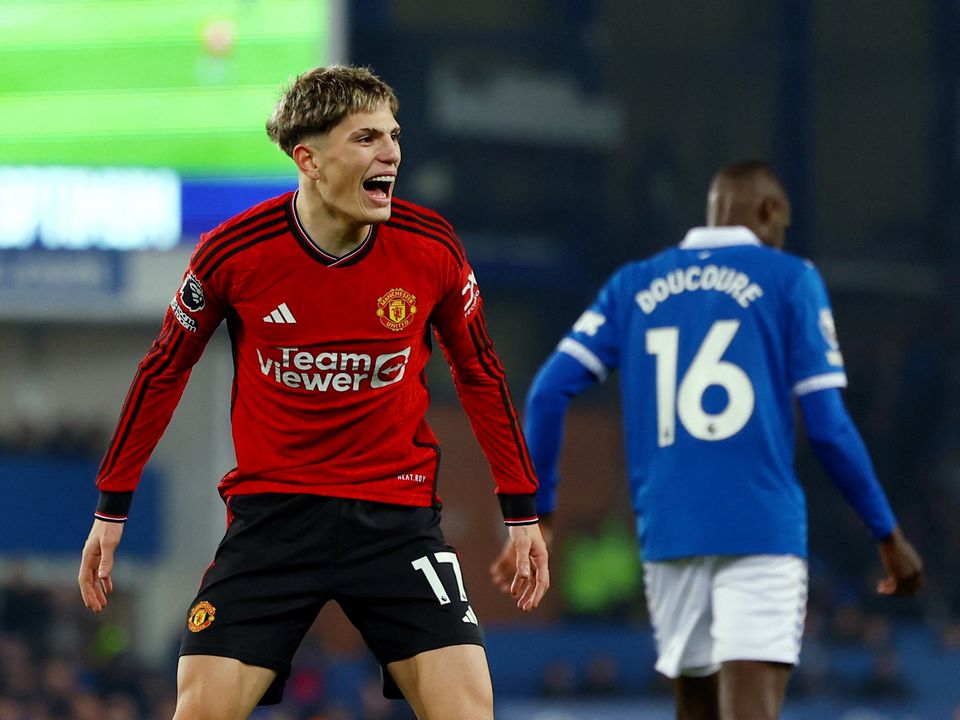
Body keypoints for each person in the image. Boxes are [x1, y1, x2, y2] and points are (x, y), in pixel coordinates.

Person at [78, 65, 549, 720]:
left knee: (470, 709)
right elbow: (164, 369)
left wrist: (521, 510)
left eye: (393, 135)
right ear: (310, 158)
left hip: (396, 522)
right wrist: (112, 505)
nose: (391, 153)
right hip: (273, 524)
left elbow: (481, 373)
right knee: (199, 710)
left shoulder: (430, 248)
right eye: (365, 139)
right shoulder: (234, 253)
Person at [490, 160, 922, 719]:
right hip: (760, 528)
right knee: (751, 706)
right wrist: (887, 535)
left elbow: (547, 393)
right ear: (767, 211)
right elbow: (830, 429)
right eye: (782, 224)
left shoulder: (633, 284)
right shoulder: (790, 279)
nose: (781, 237)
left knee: (695, 707)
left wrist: (538, 514)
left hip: (671, 533)